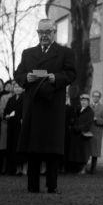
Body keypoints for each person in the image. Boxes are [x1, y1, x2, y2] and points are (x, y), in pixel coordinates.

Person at [14, 19, 76, 193]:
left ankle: (52, 185)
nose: (44, 35)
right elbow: (18, 73)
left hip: (53, 106)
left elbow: (71, 74)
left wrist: (55, 78)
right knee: (32, 147)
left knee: (52, 148)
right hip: (33, 105)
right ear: (37, 33)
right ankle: (32, 186)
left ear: (54, 32)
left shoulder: (65, 52)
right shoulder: (27, 53)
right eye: (41, 32)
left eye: (47, 32)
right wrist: (27, 78)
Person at [68, 94, 94, 175]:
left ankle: (83, 169)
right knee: (75, 153)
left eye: (85, 101)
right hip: (75, 135)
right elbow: (73, 120)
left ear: (88, 102)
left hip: (82, 135)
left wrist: (78, 128)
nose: (83, 102)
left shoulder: (90, 111)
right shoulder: (77, 109)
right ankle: (75, 169)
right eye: (82, 100)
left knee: (83, 154)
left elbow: (88, 124)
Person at [4, 82, 26, 175]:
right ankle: (16, 168)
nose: (17, 89)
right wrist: (6, 116)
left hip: (21, 126)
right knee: (13, 147)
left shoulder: (25, 99)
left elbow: (27, 111)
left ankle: (24, 168)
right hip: (12, 126)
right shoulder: (11, 99)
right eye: (15, 87)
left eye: (19, 87)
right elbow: (6, 111)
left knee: (21, 147)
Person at [87, 90, 103, 174]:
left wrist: (97, 119)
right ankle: (84, 168)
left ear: (99, 98)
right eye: (94, 96)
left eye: (97, 96)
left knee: (95, 151)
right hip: (88, 130)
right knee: (87, 149)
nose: (95, 98)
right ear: (92, 97)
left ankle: (93, 169)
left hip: (97, 131)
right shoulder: (88, 107)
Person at [0, 80, 15, 174]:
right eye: (11, 85)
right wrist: (6, 117)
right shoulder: (4, 97)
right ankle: (3, 168)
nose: (13, 87)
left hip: (16, 125)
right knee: (4, 147)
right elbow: (1, 110)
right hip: (6, 123)